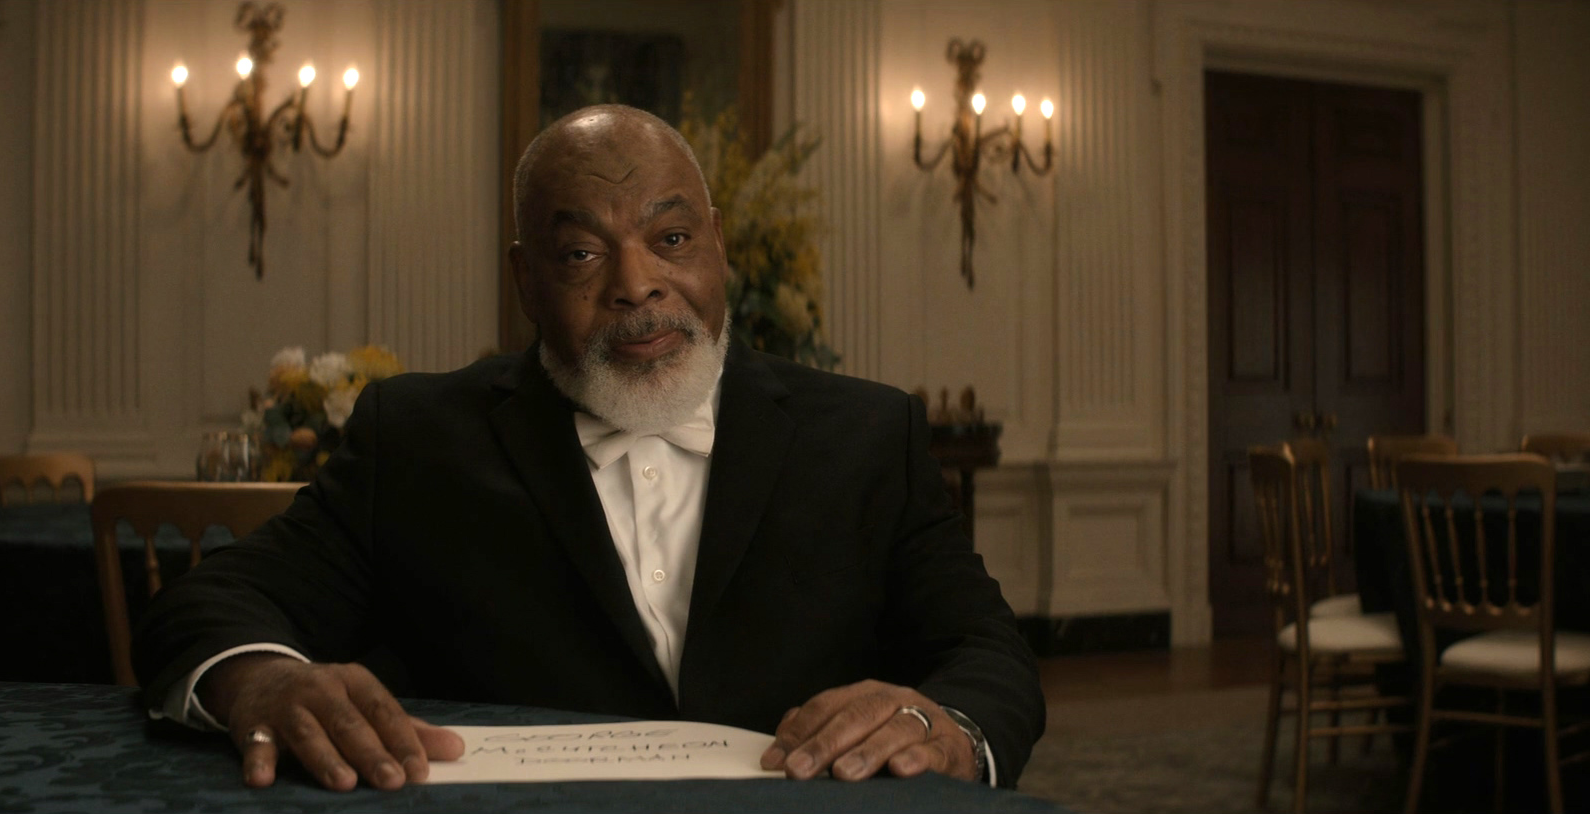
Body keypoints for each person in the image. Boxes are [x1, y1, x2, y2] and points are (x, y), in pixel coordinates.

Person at [136, 104, 1045, 793]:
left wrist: (946, 727)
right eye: (581, 255)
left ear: (718, 247)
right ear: (525, 280)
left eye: (672, 238)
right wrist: (259, 682)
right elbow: (212, 601)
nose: (636, 285)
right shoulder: (417, 438)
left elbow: (988, 656)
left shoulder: (870, 435)